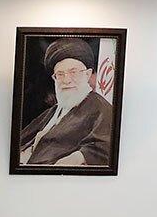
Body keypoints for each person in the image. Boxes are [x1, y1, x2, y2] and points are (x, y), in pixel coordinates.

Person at [18, 37, 114, 168]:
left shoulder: (101, 108)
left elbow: (103, 147)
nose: (66, 80)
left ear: (87, 74)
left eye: (73, 72)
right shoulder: (54, 111)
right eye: (60, 74)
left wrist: (75, 159)